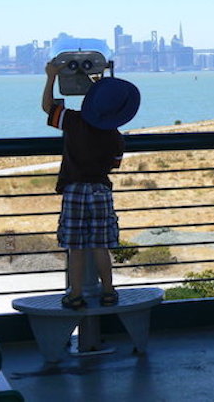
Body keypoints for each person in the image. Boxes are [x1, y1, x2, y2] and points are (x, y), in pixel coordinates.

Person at [42, 61, 140, 310]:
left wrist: (52, 76)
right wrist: (103, 85)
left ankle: (75, 295)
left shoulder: (73, 121)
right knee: (100, 246)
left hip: (74, 190)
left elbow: (48, 107)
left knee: (76, 248)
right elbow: (114, 165)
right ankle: (108, 292)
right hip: (100, 191)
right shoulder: (115, 138)